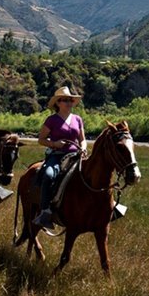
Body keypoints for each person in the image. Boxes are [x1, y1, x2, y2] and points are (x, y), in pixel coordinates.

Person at [33, 86, 88, 230]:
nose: (69, 103)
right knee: (49, 175)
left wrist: (83, 147)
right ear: (58, 103)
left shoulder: (78, 119)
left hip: (75, 155)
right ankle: (45, 211)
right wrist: (54, 144)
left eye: (71, 100)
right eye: (65, 100)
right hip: (57, 156)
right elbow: (41, 139)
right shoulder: (51, 120)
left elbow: (82, 139)